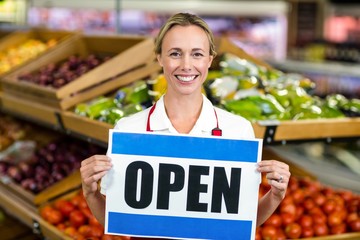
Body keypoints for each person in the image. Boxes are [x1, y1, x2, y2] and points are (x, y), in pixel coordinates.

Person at [80, 12, 290, 237]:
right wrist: (90, 193)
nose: (186, 65)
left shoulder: (238, 131)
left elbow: (242, 222)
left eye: (197, 54)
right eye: (175, 54)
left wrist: (275, 196)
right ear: (160, 58)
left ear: (209, 59)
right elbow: (119, 219)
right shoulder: (129, 130)